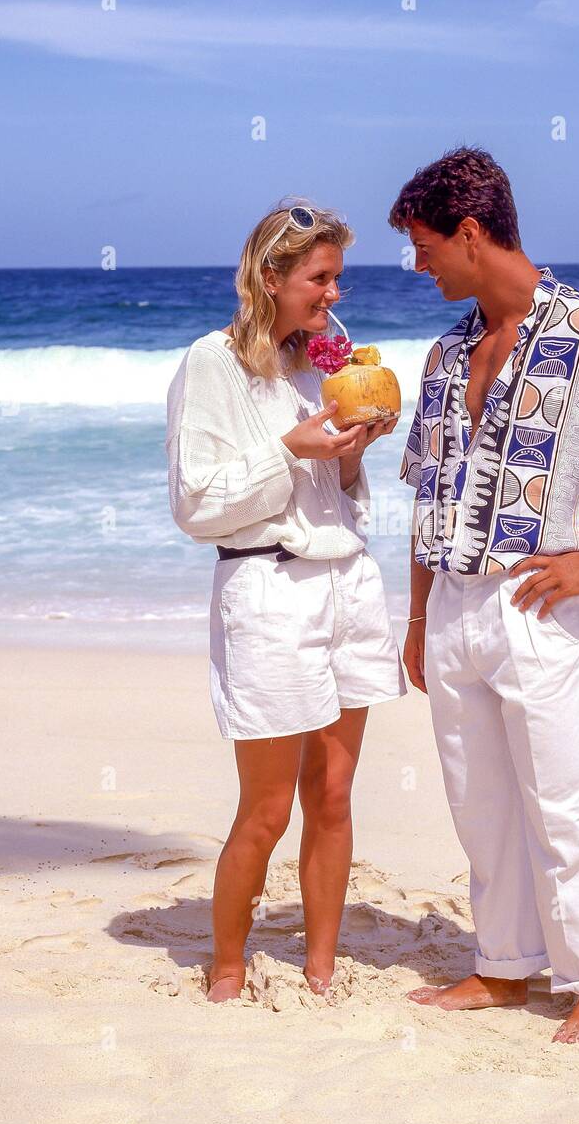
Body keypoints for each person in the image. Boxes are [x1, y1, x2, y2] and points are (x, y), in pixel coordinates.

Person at [390, 149, 579, 1044]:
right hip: (452, 604)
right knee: (476, 801)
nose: (418, 267)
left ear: (472, 233)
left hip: (541, 610)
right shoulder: (445, 352)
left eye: (424, 248)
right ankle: (501, 967)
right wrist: (416, 619)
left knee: (566, 803)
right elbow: (428, 490)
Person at [165, 200, 406, 1003]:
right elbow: (196, 507)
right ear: (270, 276)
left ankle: (322, 966)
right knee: (265, 809)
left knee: (332, 795)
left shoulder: (323, 365)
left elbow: (333, 500)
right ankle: (227, 967)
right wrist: (287, 449)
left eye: (338, 277)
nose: (333, 294)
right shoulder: (211, 363)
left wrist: (347, 455)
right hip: (267, 591)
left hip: (347, 588)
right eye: (320, 277)